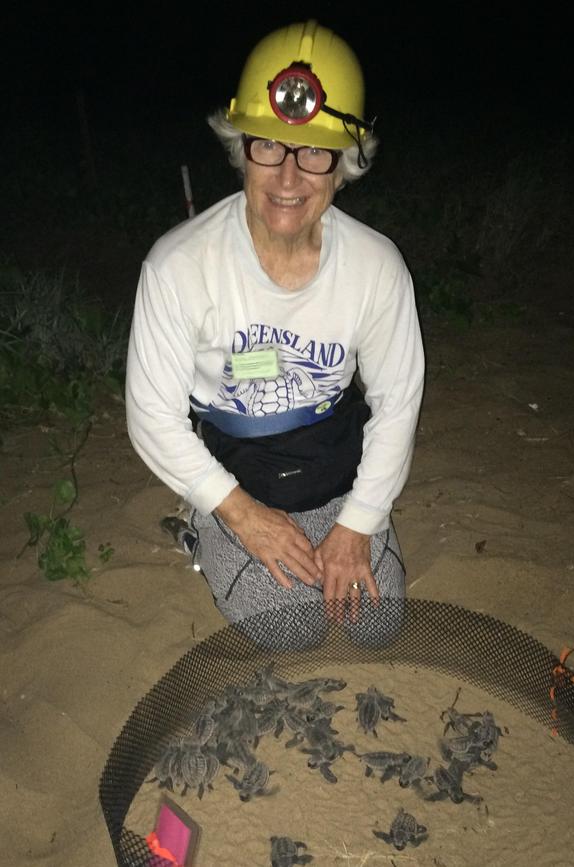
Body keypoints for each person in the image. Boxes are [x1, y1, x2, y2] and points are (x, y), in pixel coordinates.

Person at [125, 19, 425, 647]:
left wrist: (358, 524)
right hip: (236, 471)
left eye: (315, 153)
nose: (289, 180)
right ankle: (202, 527)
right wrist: (243, 516)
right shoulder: (177, 266)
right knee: (293, 630)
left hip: (334, 460)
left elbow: (398, 400)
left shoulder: (378, 266)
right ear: (242, 148)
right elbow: (152, 417)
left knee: (377, 626)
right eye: (269, 145)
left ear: (344, 166)